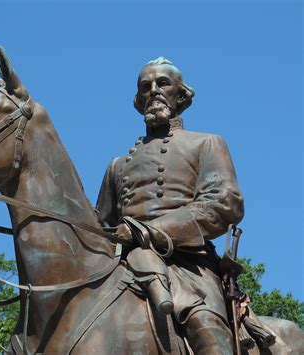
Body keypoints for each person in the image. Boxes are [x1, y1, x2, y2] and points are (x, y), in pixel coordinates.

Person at [96, 57, 245, 354]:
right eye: (145, 86)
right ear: (138, 100)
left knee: (210, 336)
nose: (153, 90)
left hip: (188, 268)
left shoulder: (206, 143)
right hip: (125, 265)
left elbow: (223, 204)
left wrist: (146, 231)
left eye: (162, 83)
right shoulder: (117, 166)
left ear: (180, 94)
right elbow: (100, 227)